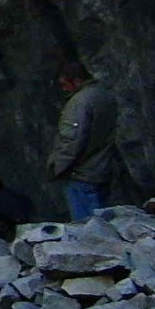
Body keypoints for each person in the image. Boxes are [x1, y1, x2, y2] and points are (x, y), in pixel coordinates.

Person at [48, 60, 122, 220]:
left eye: (65, 84)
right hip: (101, 170)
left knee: (86, 230)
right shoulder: (104, 95)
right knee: (102, 225)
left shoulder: (79, 102)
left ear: (76, 80)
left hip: (81, 175)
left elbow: (71, 141)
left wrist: (57, 167)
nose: (64, 89)